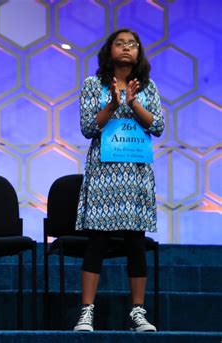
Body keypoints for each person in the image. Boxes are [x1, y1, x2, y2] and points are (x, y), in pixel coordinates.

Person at [73, 28, 164, 332]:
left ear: (139, 52)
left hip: (136, 172)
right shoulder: (93, 85)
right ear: (109, 50)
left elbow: (159, 125)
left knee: (135, 242)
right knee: (97, 240)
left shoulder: (148, 87)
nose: (127, 48)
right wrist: (111, 104)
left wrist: (134, 102)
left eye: (133, 44)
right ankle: (86, 312)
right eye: (120, 43)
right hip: (104, 172)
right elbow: (87, 127)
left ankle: (138, 312)